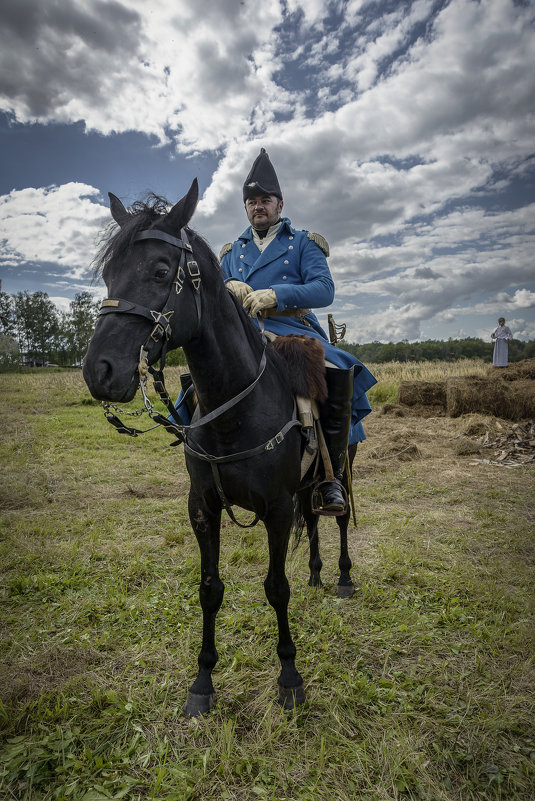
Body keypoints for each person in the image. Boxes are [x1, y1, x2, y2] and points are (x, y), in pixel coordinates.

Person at [219, 148, 376, 513]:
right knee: (203, 372)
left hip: (292, 329)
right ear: (245, 207)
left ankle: (330, 476)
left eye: (265, 200)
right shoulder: (230, 251)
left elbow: (325, 289)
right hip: (242, 331)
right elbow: (214, 295)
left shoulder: (303, 243)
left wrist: (278, 294)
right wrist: (227, 287)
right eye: (252, 201)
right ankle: (206, 459)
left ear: (279, 204)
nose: (258, 206)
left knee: (337, 373)